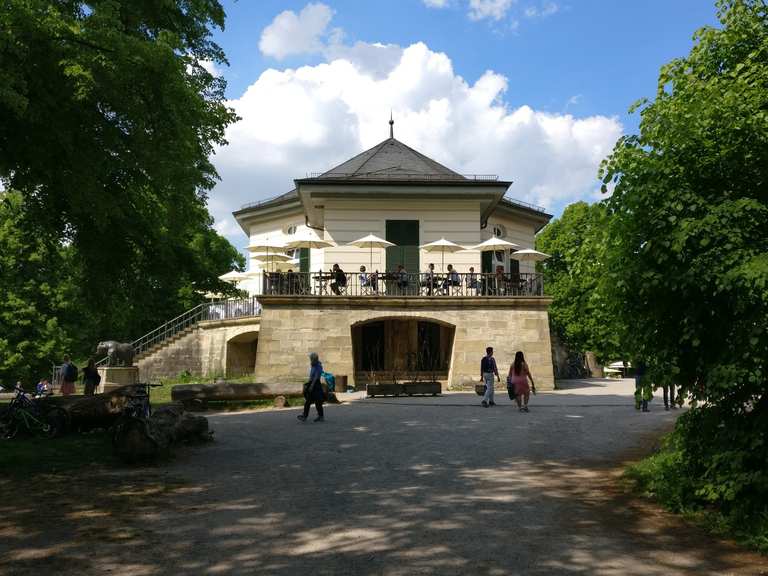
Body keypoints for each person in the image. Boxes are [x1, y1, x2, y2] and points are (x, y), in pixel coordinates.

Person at [298, 352, 325, 422]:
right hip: (312, 383)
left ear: (314, 359)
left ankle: (320, 416)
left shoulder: (318, 366)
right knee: (309, 401)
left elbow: (316, 377)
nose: (310, 360)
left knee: (317, 402)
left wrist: (311, 386)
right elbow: (311, 376)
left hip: (316, 385)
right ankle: (305, 415)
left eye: (311, 358)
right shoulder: (313, 365)